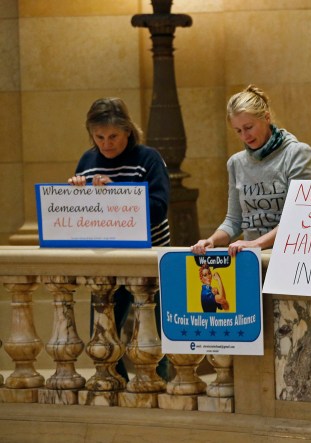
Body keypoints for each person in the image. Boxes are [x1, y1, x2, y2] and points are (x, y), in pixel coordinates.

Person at [68, 97, 171, 381]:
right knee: (102, 336)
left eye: (113, 136)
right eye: (98, 137)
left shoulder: (148, 158)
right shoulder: (87, 161)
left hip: (149, 260)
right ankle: (119, 389)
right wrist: (77, 193)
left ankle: (159, 389)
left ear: (127, 130)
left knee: (153, 335)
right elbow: (84, 216)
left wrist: (118, 193)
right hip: (107, 260)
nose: (106, 143)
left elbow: (159, 207)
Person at [191, 85, 311, 256]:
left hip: (289, 255)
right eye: (238, 131)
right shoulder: (236, 163)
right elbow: (234, 221)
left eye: (248, 127)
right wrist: (212, 240)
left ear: (266, 118)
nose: (244, 136)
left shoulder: (298, 153)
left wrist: (255, 243)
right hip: (250, 257)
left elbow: (299, 216)